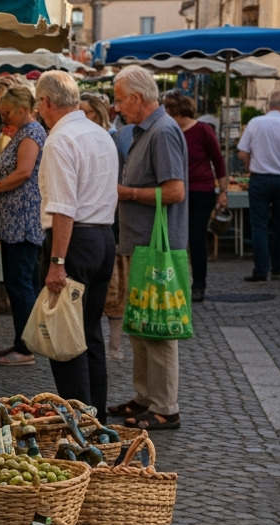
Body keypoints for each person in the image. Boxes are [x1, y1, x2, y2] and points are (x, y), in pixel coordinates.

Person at [34, 71, 119, 422]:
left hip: (74, 240)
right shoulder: (100, 134)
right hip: (102, 237)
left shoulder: (59, 139)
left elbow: (64, 208)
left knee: (65, 338)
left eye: (39, 102)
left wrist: (57, 261)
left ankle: (78, 420)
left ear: (46, 102)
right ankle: (95, 415)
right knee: (89, 332)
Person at [110, 65, 188, 432]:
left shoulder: (163, 131)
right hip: (138, 244)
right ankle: (144, 397)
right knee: (140, 325)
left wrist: (128, 193)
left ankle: (164, 406)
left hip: (157, 248)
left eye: (120, 99)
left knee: (157, 330)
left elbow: (175, 191)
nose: (117, 107)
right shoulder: (146, 130)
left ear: (137, 98)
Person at [0, 83, 46, 367]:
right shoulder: (23, 132)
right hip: (15, 221)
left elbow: (24, 172)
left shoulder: (31, 133)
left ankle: (26, 348)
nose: (3, 117)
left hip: (23, 222)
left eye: (6, 112)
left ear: (22, 109)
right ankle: (20, 341)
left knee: (21, 285)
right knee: (19, 283)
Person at [165, 91, 227, 301]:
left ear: (179, 112)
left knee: (196, 238)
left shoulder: (202, 130)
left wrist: (223, 191)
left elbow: (218, 160)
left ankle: (199, 284)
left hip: (200, 191)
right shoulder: (169, 130)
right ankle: (175, 280)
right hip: (174, 191)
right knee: (173, 238)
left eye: (169, 111)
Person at [81, 91, 128, 360]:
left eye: (86, 112)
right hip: (101, 220)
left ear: (98, 114)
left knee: (113, 284)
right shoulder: (89, 138)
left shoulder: (110, 139)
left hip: (109, 220)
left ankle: (114, 343)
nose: (82, 116)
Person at [237, 90, 280, 282]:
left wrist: (248, 166)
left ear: (269, 105)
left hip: (260, 178)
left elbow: (242, 153)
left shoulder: (255, 123)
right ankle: (277, 268)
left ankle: (260, 270)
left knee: (259, 225)